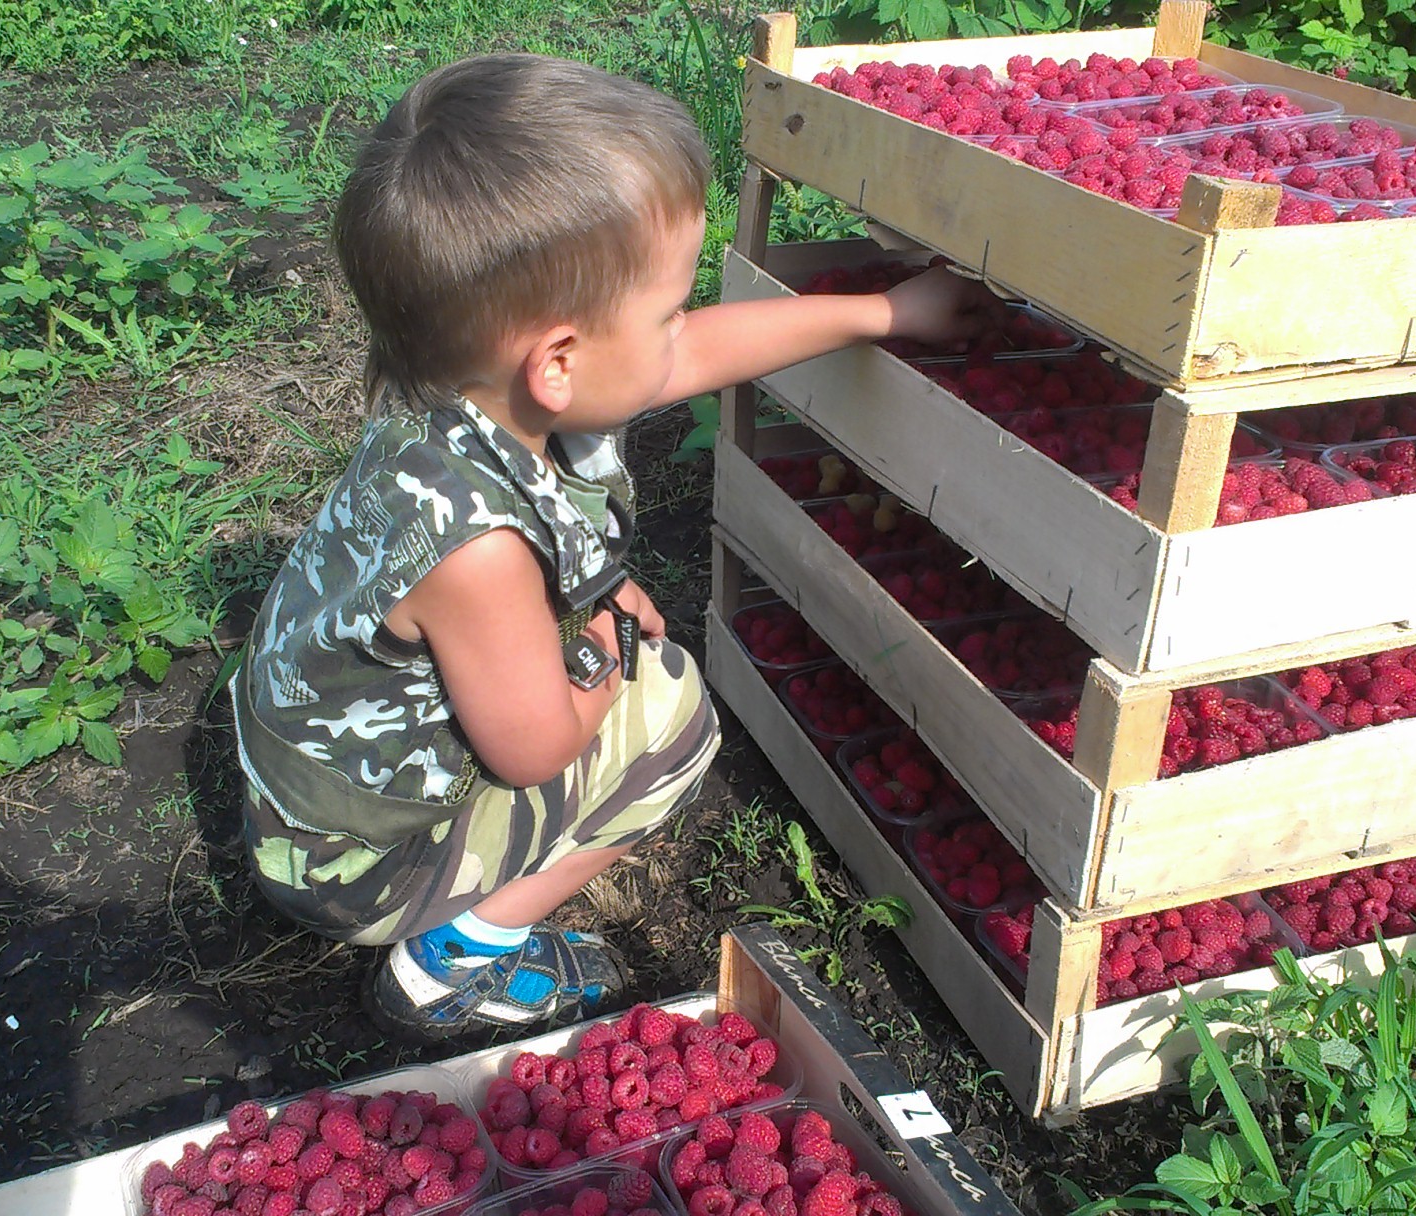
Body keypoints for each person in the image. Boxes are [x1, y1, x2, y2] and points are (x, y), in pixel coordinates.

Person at [231, 52, 994, 1039]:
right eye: (666, 309)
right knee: (671, 715)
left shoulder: (455, 399)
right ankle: (450, 959)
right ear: (557, 360)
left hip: (309, 797)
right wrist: (600, 655)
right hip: (353, 867)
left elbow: (697, 352)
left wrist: (883, 313)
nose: (681, 330)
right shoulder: (479, 552)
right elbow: (535, 749)